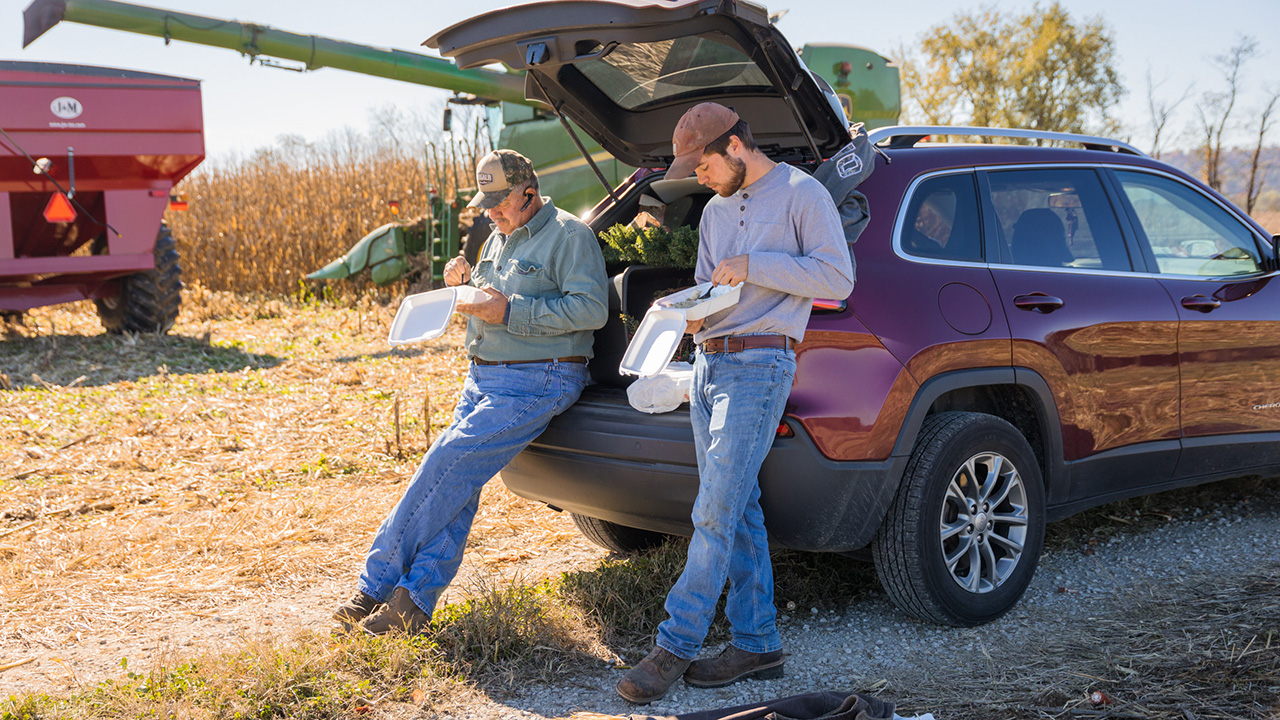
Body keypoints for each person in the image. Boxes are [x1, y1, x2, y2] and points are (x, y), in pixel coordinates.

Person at [616, 103, 855, 703]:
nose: (697, 178)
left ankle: (676, 642)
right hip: (709, 363)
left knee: (714, 510)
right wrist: (681, 315)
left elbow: (837, 277)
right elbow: (710, 289)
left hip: (761, 365)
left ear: (735, 147)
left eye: (701, 166)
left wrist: (756, 267)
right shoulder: (716, 213)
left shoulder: (802, 194)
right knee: (739, 505)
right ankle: (758, 643)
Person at [333, 149, 609, 635]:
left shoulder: (570, 235)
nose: (491, 212)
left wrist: (509, 312)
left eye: (500, 201)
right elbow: (490, 293)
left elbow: (591, 310)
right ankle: (411, 607)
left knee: (444, 466)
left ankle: (374, 586)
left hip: (540, 377)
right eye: (486, 202)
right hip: (482, 376)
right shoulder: (497, 239)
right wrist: (463, 284)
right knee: (457, 485)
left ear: (529, 190)